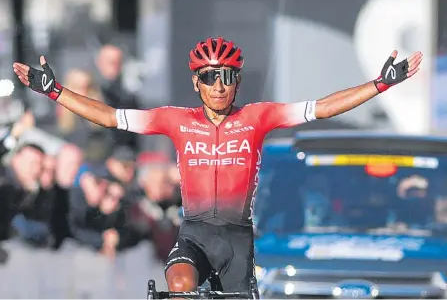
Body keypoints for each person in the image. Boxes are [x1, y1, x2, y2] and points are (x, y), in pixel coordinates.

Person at [13, 36, 422, 293]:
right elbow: (107, 115)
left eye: (227, 76)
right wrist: (55, 91)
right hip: (194, 234)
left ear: (238, 81)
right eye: (209, 76)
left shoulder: (258, 117)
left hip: (238, 241)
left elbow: (322, 108)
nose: (219, 85)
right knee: (178, 285)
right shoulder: (175, 120)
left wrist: (380, 84)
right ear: (196, 82)